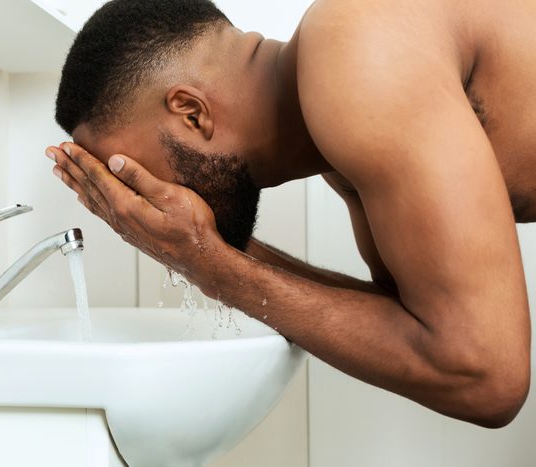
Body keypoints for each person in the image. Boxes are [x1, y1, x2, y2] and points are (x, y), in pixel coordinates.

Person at [44, 0, 533, 428]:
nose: (143, 199)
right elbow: (416, 328)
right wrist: (204, 248)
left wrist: (209, 265)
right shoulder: (339, 123)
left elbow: (486, 376)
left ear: (192, 112)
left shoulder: (356, 52)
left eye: (130, 173)